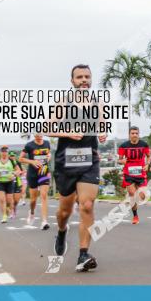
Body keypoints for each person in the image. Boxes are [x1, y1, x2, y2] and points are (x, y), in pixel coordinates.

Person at [48, 64, 108, 272]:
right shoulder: (63, 102)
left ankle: (83, 254)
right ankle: (62, 231)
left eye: (87, 77)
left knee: (87, 205)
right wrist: (68, 132)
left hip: (89, 160)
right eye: (79, 77)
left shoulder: (97, 103)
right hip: (66, 161)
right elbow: (48, 127)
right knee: (64, 211)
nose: (84, 80)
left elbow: (101, 124)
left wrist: (102, 133)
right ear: (72, 81)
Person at [117, 126, 151, 225]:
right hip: (129, 173)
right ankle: (135, 215)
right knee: (132, 195)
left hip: (141, 172)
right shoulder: (123, 146)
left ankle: (133, 198)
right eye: (132, 133)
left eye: (136, 133)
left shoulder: (144, 144)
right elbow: (119, 160)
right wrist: (121, 161)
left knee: (142, 196)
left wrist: (148, 164)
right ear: (129, 134)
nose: (135, 135)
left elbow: (148, 157)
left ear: (138, 134)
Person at [20, 133, 53, 229]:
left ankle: (44, 221)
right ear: (34, 135)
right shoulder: (29, 145)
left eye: (41, 134)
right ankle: (32, 212)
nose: (40, 137)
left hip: (44, 172)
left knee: (43, 196)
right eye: (38, 135)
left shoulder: (47, 143)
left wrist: (49, 156)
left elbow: (49, 153)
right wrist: (32, 161)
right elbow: (21, 158)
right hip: (33, 174)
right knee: (33, 199)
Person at [0, 147, 17, 223]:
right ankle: (4, 216)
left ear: (7, 153)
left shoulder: (12, 161)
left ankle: (9, 208)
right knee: (2, 200)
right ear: (0, 152)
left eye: (5, 151)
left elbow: (18, 170)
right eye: (2, 151)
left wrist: (14, 175)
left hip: (9, 182)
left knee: (9, 200)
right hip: (0, 182)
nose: (4, 153)